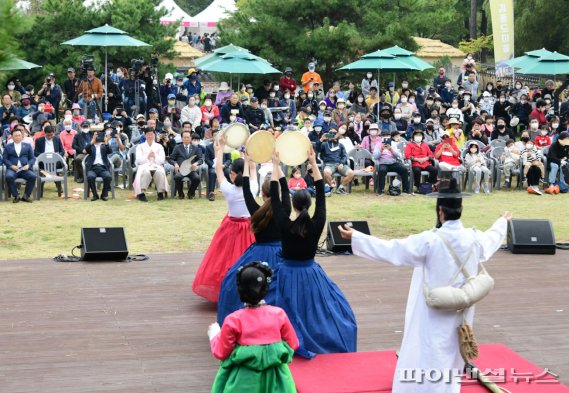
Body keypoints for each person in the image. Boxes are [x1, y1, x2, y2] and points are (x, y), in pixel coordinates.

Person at [339, 179, 511, 393]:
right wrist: (501, 222)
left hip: (434, 309)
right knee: (453, 353)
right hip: (462, 309)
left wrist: (357, 236)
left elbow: (393, 250)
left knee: (430, 351)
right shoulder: (474, 237)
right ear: (461, 209)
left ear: (440, 211)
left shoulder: (430, 241)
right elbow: (491, 240)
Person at [269, 148, 357, 358]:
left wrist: (275, 165)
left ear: (293, 204)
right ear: (309, 204)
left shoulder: (284, 223)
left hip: (286, 275)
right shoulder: (317, 223)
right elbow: (321, 191)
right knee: (316, 309)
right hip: (310, 274)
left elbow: (274, 196)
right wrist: (313, 163)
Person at [217, 156, 290, 325]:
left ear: (263, 195)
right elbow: (285, 189)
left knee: (234, 280)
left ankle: (245, 321)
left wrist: (248, 163)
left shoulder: (256, 211)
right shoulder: (284, 209)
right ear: (276, 194)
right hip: (282, 253)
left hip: (259, 253)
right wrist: (277, 165)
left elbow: (247, 191)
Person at [208, 262, 298, 393]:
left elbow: (221, 352)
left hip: (242, 380)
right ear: (265, 289)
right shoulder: (278, 314)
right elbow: (293, 344)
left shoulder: (234, 319)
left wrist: (214, 333)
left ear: (240, 289)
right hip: (276, 378)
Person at [192, 136, 259, 302]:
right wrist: (248, 156)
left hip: (230, 227)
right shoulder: (253, 188)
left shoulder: (228, 189)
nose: (231, 174)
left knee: (224, 260)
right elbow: (253, 170)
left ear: (235, 175)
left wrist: (221, 147)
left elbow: (219, 170)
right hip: (249, 227)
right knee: (248, 261)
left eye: (233, 173)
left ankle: (227, 289)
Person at [133, 127, 169, 202]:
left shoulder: (159, 146)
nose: (150, 136)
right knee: (146, 172)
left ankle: (160, 192)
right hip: (144, 166)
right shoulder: (140, 146)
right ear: (145, 135)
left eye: (152, 134)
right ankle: (141, 193)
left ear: (154, 135)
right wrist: (147, 156)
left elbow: (162, 160)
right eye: (148, 134)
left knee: (159, 172)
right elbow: (139, 160)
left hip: (156, 165)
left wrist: (155, 156)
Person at [3, 128, 36, 203]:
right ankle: (16, 196)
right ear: (12, 137)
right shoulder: (8, 147)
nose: (17, 137)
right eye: (16, 136)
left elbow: (32, 158)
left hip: (24, 169)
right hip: (12, 169)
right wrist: (11, 166)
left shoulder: (27, 146)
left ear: (22, 136)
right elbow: (5, 159)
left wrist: (28, 165)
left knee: (32, 176)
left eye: (19, 135)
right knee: (9, 176)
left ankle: (26, 196)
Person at [168, 131, 203, 199]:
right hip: (181, 170)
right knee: (177, 177)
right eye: (184, 137)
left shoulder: (195, 148)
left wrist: (196, 163)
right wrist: (175, 164)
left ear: (190, 138)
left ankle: (190, 193)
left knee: (197, 178)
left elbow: (201, 159)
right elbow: (170, 159)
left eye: (188, 137)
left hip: (191, 170)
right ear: (182, 138)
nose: (186, 139)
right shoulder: (177, 147)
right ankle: (181, 194)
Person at [320, 126, 354, 194]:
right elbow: (317, 149)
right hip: (329, 164)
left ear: (338, 134)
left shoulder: (341, 145)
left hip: (339, 164)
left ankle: (340, 188)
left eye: (334, 133)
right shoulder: (324, 144)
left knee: (351, 173)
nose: (332, 134)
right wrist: (321, 139)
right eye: (331, 133)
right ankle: (331, 187)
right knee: (326, 172)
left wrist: (341, 163)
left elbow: (345, 156)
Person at [84, 130, 113, 201]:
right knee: (90, 177)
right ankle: (95, 194)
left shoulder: (103, 146)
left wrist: (106, 142)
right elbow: (85, 149)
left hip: (103, 167)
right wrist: (92, 140)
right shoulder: (91, 146)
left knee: (108, 177)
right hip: (92, 167)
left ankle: (104, 194)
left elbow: (110, 151)